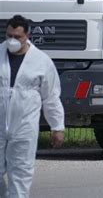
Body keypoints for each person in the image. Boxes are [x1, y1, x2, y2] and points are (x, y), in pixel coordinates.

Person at [0, 15, 65, 197]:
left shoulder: (41, 61)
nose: (12, 40)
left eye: (17, 37)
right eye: (9, 35)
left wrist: (57, 127)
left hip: (24, 128)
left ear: (27, 35)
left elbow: (51, 97)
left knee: (20, 175)